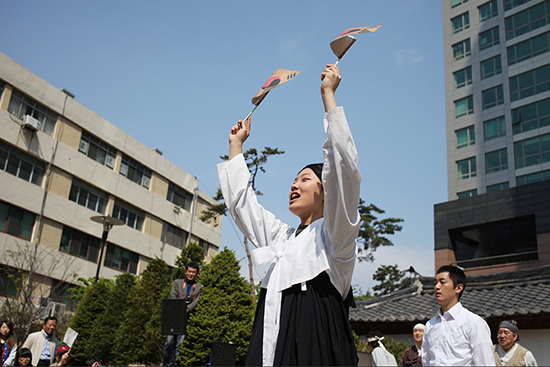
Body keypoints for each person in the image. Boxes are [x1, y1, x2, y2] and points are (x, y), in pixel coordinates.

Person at [218, 64, 361, 366]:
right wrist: (236, 146)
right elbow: (243, 206)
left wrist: (328, 95)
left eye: (305, 179)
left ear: (326, 192)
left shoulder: (335, 237)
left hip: (316, 347)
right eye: (294, 180)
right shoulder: (281, 239)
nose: (294, 184)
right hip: (269, 342)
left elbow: (344, 168)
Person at [422, 265, 494, 366]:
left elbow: (485, 362)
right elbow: (426, 361)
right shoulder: (430, 325)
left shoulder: (473, 322)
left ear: (458, 288)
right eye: (435, 283)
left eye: (442, 282)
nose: (437, 287)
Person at [162, 263, 203, 366]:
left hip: (187, 318)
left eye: (193, 272)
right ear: (186, 272)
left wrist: (188, 308)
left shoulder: (199, 287)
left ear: (197, 274)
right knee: (169, 342)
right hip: (174, 317)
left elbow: (197, 301)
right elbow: (173, 296)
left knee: (180, 344)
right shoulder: (177, 283)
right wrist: (180, 308)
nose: (191, 274)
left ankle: (177, 364)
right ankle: (166, 364)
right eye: (189, 271)